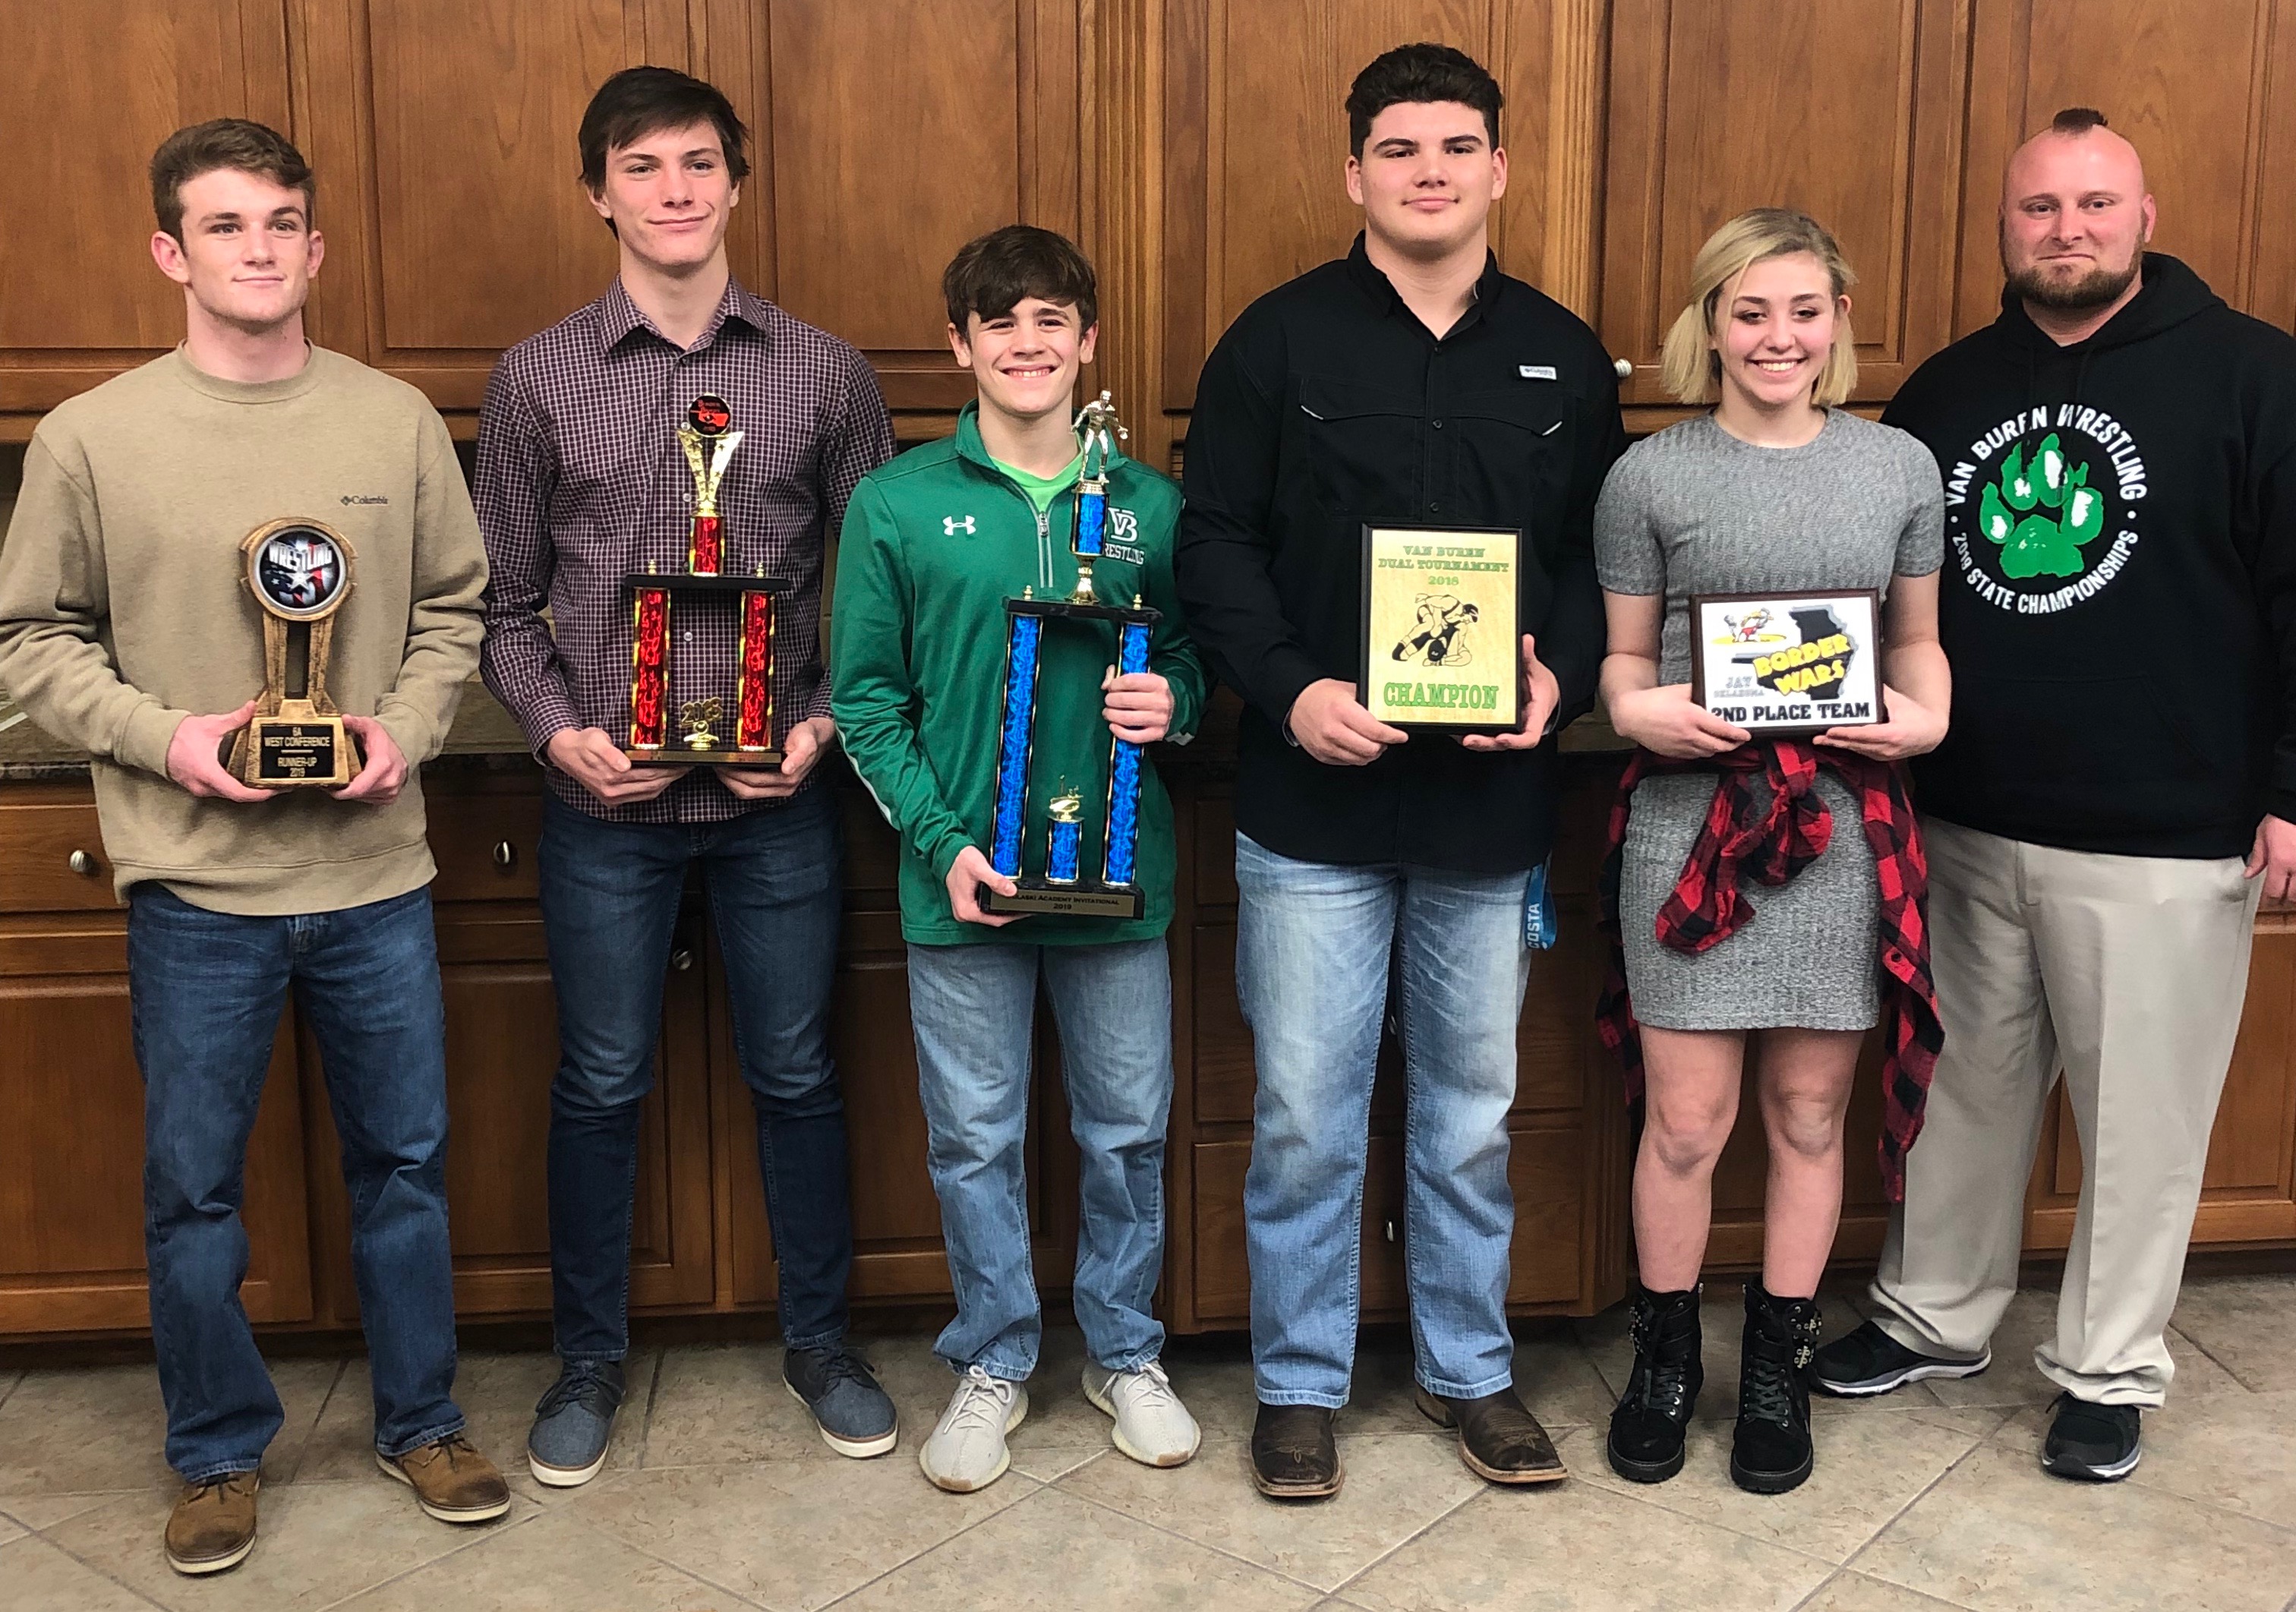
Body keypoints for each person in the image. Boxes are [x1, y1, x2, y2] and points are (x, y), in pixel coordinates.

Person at [0, 118, 508, 1576]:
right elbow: (34, 637)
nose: (260, 249)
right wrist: (175, 742)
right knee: (195, 1189)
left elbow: (452, 613)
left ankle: (423, 1420)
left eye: (282, 222)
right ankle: (217, 1453)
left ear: (316, 247)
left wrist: (404, 725)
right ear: (172, 251)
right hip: (194, 889)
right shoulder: (93, 436)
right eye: (226, 227)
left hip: (375, 879)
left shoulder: (394, 420)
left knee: (405, 1167)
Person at [1810, 108, 2296, 1483]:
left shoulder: (2258, 378)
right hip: (1958, 818)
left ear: (2144, 216)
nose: (2066, 229)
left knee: (2143, 1119)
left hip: (2167, 828)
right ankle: (1933, 1313)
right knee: (1960, 1091)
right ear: (2005, 225)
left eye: (2094, 204)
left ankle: (2107, 1368)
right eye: (2040, 208)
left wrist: (2292, 793)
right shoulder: (1949, 393)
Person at [1175, 42, 1626, 1498]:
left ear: (1500, 167)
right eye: (1399, 149)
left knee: (1469, 1114)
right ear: (1352, 172)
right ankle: (1299, 1386)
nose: (1429, 172)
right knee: (1306, 1113)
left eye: (1456, 148)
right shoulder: (1276, 341)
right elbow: (1215, 547)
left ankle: (1468, 1373)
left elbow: (1582, 563)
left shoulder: (1561, 349)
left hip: (1490, 813)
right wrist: (1291, 692)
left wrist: (1552, 679)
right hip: (1316, 805)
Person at [474, 66, 897, 1484]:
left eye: (699, 164)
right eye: (642, 167)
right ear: (599, 191)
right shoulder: (536, 379)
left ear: (735, 182)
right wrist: (558, 735)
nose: (673, 191)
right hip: (611, 808)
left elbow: (880, 586)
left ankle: (822, 1341)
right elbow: (498, 604)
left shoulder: (825, 372)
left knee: (796, 1073)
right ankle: (588, 1358)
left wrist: (825, 723)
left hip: (778, 806)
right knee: (598, 1081)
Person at [833, 226, 1209, 1493]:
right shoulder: (894, 501)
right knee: (975, 1140)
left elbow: (1200, 664)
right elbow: (867, 699)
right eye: (1001, 323)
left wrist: (1181, 707)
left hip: (1118, 883)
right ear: (962, 346)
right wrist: (940, 846)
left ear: (1088, 340)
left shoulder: (1148, 505)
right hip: (963, 890)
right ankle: (994, 1358)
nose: (1029, 343)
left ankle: (1122, 1352)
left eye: (1053, 320)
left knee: (1125, 1136)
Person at [1591, 210, 1949, 1495]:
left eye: (1803, 310)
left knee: (1809, 1111)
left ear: (1839, 321)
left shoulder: (1900, 468)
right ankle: (1665, 1361)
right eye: (1750, 312)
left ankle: (1780, 1369)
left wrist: (1926, 713)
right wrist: (1639, 712)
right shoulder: (1649, 478)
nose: (1777, 337)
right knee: (1686, 1122)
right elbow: (1624, 665)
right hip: (1693, 827)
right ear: (1710, 326)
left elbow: (1915, 641)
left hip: (1843, 829)